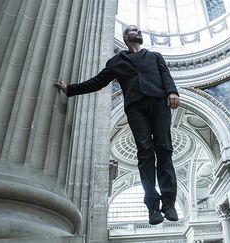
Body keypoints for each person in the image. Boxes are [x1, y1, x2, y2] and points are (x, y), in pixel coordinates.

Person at [55, 25, 180, 225]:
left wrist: (172, 92)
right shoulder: (116, 62)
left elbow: (166, 76)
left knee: (164, 150)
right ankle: (153, 208)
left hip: (159, 103)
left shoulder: (155, 56)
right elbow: (97, 82)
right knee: (145, 153)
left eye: (139, 30)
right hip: (135, 108)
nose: (138, 32)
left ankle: (169, 204)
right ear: (125, 37)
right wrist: (70, 89)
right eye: (133, 30)